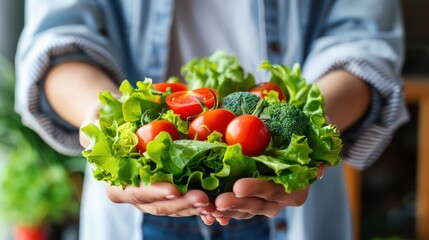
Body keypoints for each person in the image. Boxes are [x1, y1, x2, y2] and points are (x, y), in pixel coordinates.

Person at [14, 0, 408, 239]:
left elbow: (363, 42)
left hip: (291, 213)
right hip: (135, 211)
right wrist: (102, 117)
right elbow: (58, 39)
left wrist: (307, 125)